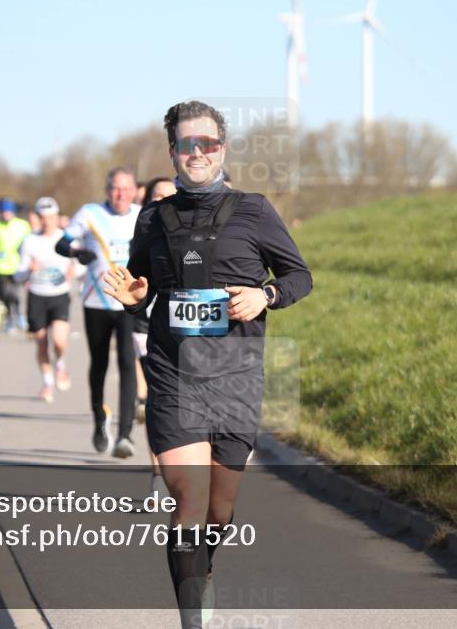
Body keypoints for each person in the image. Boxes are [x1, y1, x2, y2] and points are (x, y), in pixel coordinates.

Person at [103, 100, 312, 628]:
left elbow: (298, 276)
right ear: (172, 151)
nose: (197, 152)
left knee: (220, 509)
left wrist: (265, 296)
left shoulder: (255, 210)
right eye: (186, 144)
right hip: (175, 374)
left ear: (222, 148)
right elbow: (140, 287)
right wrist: (132, 297)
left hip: (238, 375)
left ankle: (203, 571)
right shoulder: (153, 218)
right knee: (188, 499)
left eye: (208, 143)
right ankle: (194, 620)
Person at [55, 167, 141, 457]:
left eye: (127, 189)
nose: (121, 194)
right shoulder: (90, 214)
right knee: (100, 364)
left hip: (130, 303)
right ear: (107, 190)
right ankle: (98, 418)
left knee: (129, 363)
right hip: (97, 302)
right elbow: (61, 243)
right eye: (116, 188)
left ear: (135, 191)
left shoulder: (142, 215)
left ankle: (125, 435)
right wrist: (77, 253)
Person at [132, 177, 178, 496]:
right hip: (146, 325)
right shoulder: (144, 227)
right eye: (156, 196)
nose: (163, 200)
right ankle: (158, 475)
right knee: (155, 401)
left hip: (185, 331)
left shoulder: (192, 232)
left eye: (169, 195)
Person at [15, 197, 75, 403]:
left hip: (59, 295)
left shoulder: (66, 238)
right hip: (37, 296)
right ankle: (48, 382)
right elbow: (18, 274)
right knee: (41, 344)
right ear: (38, 218)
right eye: (43, 217)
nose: (48, 221)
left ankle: (60, 363)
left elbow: (81, 264)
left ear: (57, 217)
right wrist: (27, 271)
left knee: (58, 340)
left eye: (51, 217)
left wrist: (73, 270)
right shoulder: (29, 241)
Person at [0, 199, 31, 332]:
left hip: (18, 265)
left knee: (18, 294)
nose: (6, 215)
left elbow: (30, 241)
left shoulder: (23, 225)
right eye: (4, 212)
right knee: (5, 295)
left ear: (13, 212)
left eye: (8, 212)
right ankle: (10, 319)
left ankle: (21, 315)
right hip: (1, 266)